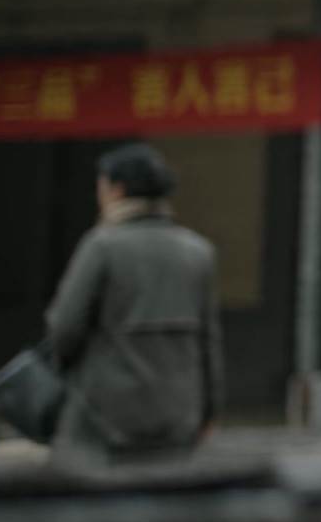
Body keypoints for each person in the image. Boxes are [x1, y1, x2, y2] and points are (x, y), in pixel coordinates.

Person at [44, 143, 224, 465]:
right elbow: (209, 342)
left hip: (104, 417)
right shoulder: (198, 252)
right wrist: (209, 410)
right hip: (178, 414)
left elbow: (64, 328)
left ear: (117, 190)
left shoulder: (101, 247)